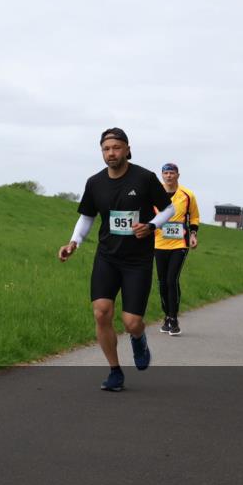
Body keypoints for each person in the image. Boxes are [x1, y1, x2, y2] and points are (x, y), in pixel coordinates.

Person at [58, 128, 175, 392]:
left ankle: (138, 338)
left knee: (131, 322)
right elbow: (87, 216)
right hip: (107, 257)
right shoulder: (95, 183)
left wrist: (152, 226)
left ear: (127, 149)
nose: (111, 153)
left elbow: (170, 208)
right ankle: (114, 371)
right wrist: (73, 242)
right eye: (106, 149)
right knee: (101, 313)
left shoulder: (144, 178)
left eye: (116, 148)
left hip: (138, 260)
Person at [153, 163, 199, 336]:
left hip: (180, 243)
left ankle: (173, 318)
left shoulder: (188, 195)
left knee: (172, 280)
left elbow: (194, 216)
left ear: (178, 175)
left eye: (172, 173)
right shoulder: (154, 193)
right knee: (162, 282)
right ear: (162, 175)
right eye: (166, 173)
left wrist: (193, 234)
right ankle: (166, 315)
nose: (169, 176)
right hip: (159, 243)